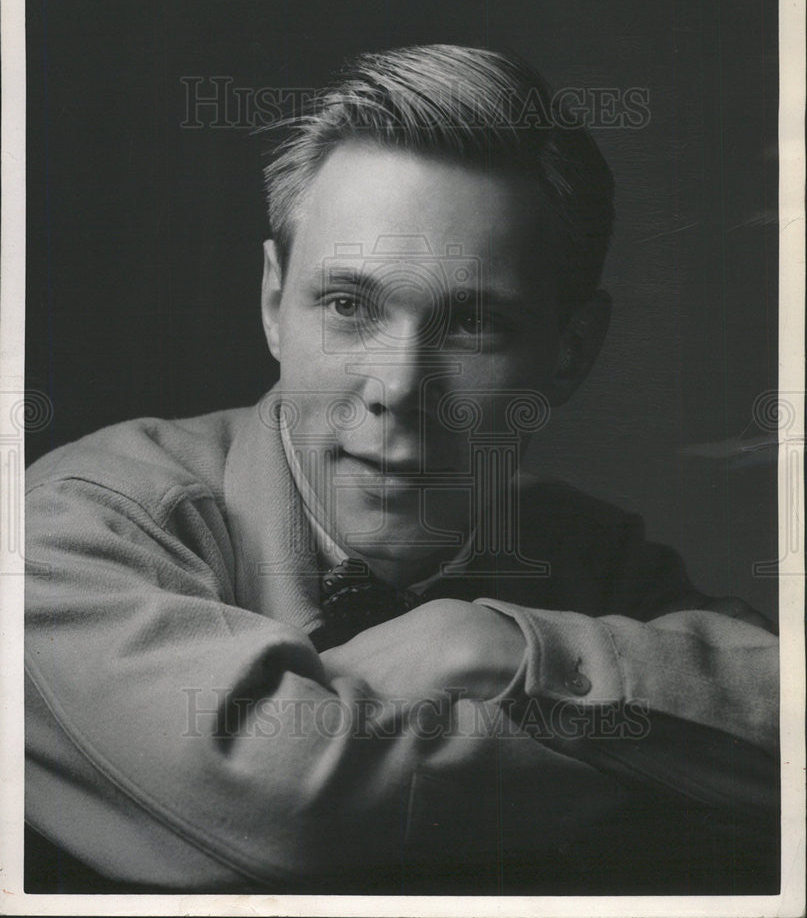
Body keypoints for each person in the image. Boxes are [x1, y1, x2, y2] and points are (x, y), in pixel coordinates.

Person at [24, 44, 779, 895]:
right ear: (275, 306)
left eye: (472, 325)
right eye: (349, 307)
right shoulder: (68, 532)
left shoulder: (590, 551)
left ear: (570, 352)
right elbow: (287, 804)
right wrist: (673, 770)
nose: (397, 388)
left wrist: (500, 646)